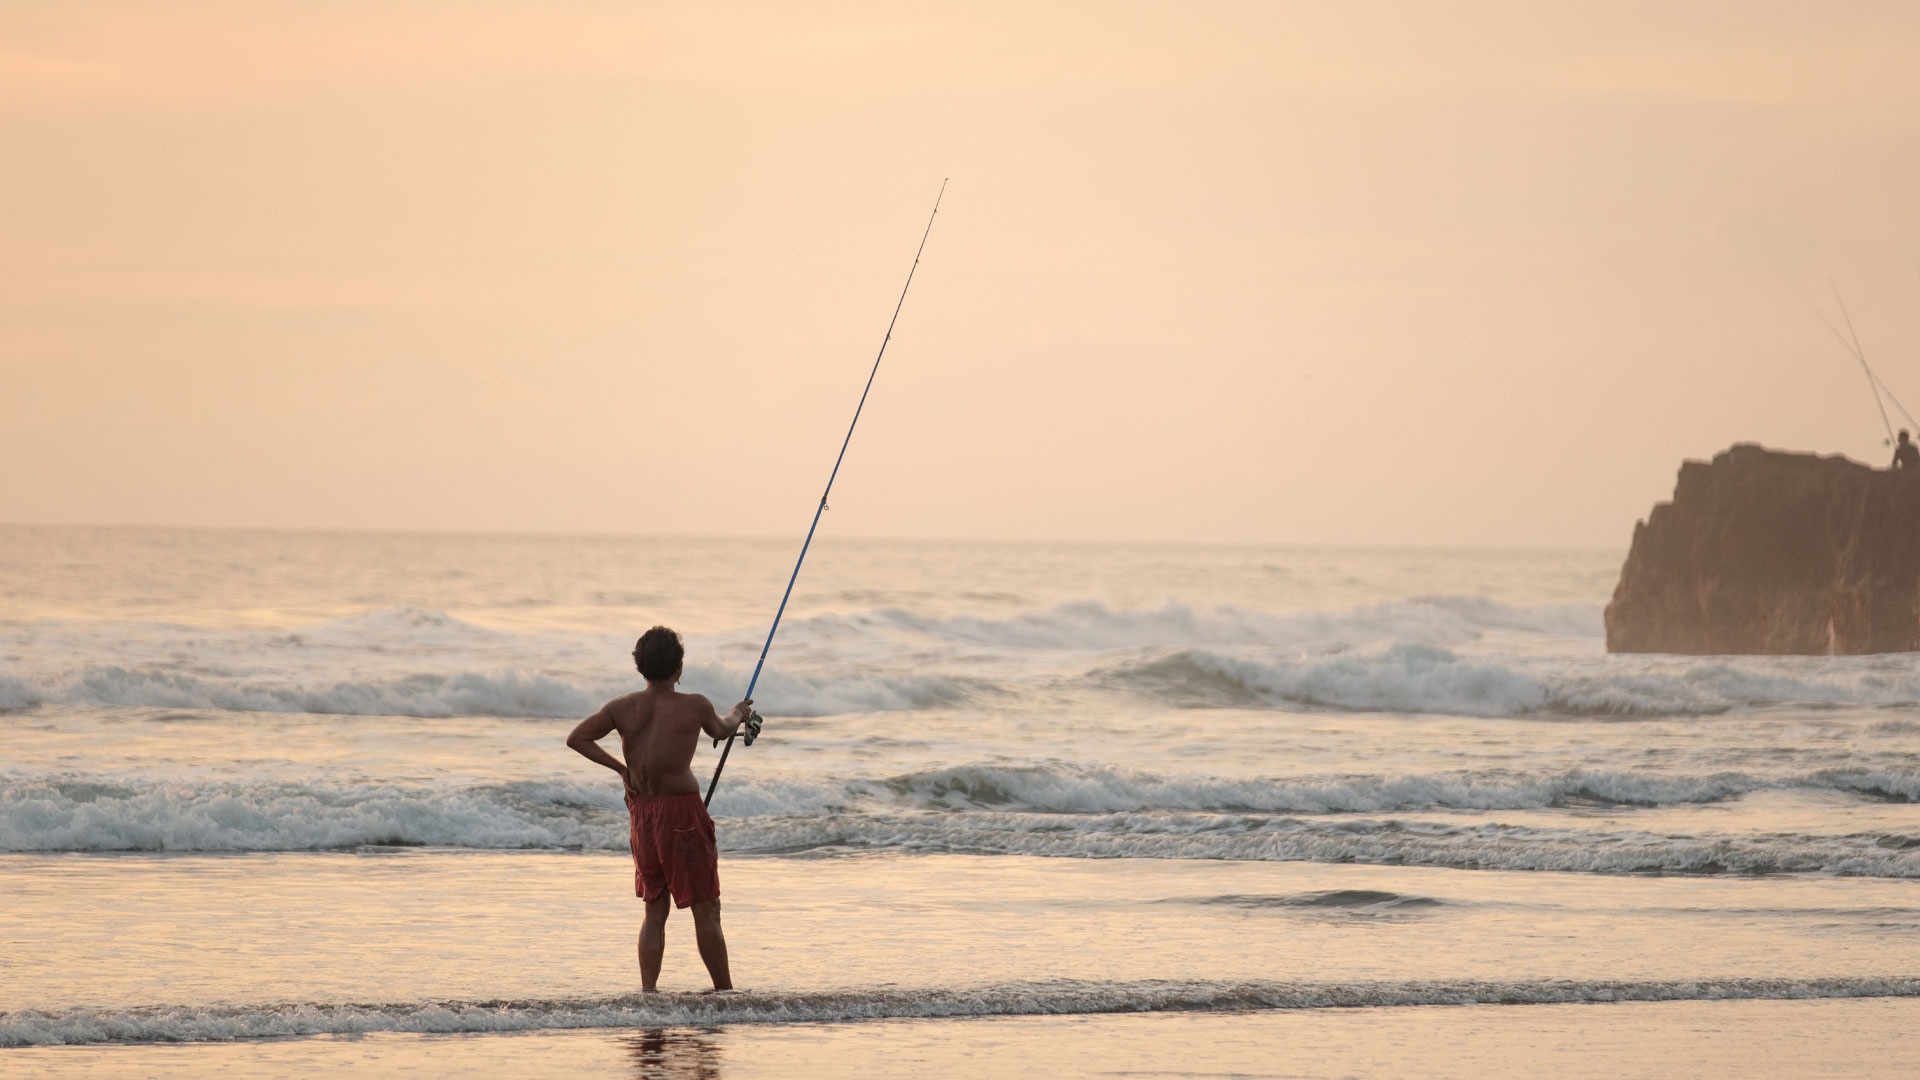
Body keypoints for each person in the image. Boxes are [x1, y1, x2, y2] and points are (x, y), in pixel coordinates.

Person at [567, 625, 754, 991]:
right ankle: (726, 994)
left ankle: (648, 995)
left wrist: (623, 770)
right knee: (706, 907)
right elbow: (721, 729)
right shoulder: (695, 704)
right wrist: (739, 712)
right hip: (682, 814)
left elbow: (577, 738)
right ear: (679, 668)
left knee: (655, 910)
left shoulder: (620, 707)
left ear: (640, 666)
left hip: (643, 814)